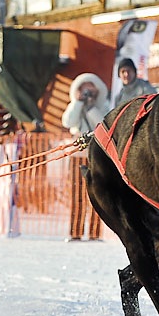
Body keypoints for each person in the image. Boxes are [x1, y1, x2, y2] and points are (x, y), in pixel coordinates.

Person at [60, 73, 108, 241]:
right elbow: (68, 121)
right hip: (77, 157)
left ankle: (95, 233)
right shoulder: (75, 105)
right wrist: (79, 103)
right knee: (77, 195)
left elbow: (103, 124)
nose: (87, 91)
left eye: (90, 87)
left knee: (97, 195)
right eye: (84, 88)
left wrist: (91, 107)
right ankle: (75, 232)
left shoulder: (103, 105)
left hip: (97, 157)